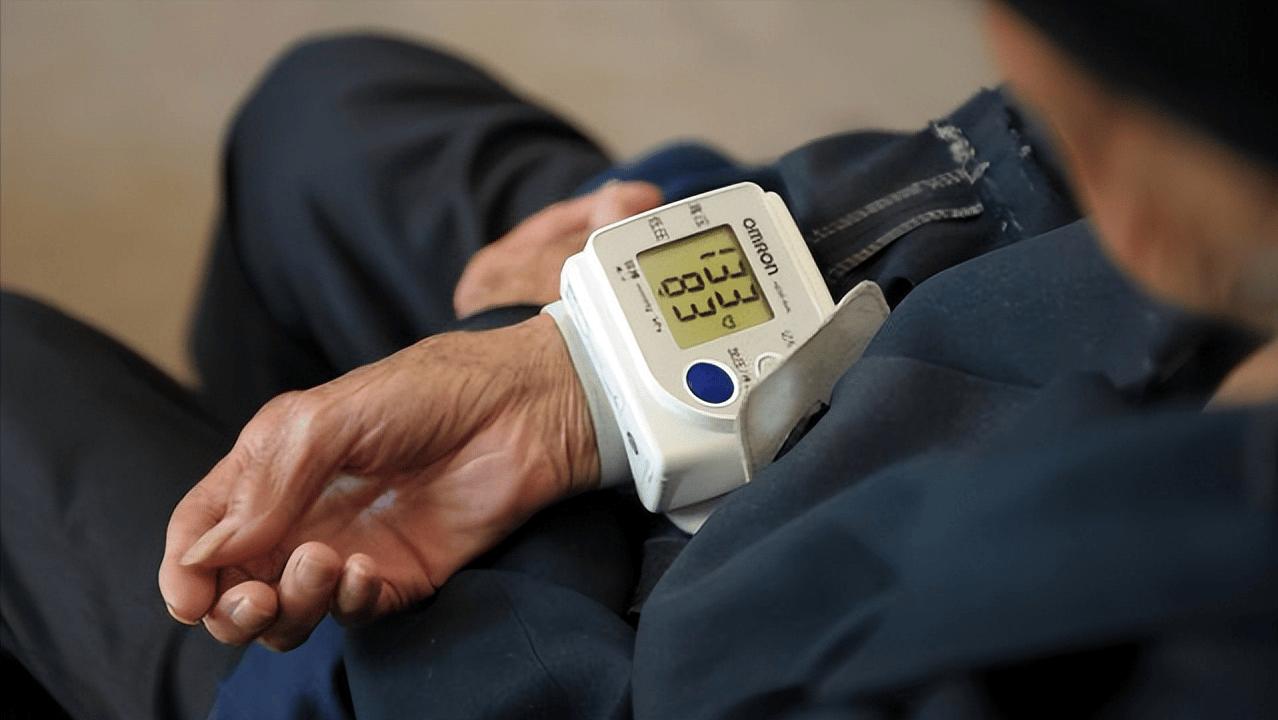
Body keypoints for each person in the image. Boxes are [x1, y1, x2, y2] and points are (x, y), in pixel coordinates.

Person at [2, 1, 1274, 718]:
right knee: (322, 105)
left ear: (1155, 181)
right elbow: (994, 180)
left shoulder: (1171, 655)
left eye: (1058, 93)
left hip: (495, 655)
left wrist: (520, 365)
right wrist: (573, 362)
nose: (1006, 80)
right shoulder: (1202, 199)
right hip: (761, 372)